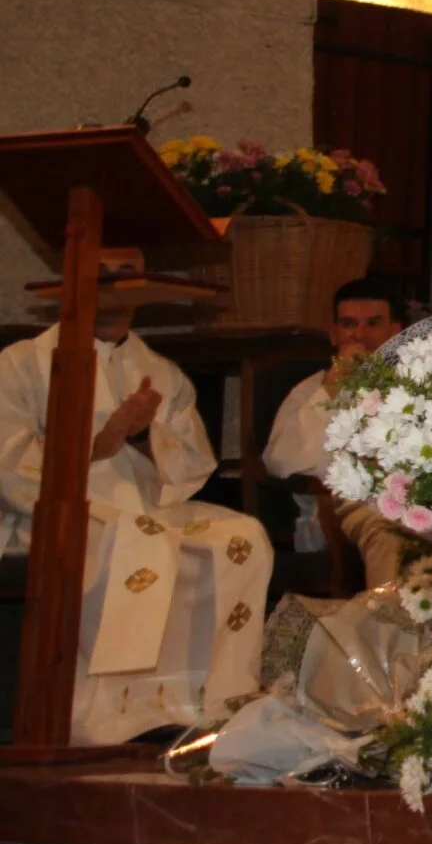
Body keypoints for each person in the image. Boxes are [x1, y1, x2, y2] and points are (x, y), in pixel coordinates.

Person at [0, 300, 274, 743]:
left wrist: (144, 434)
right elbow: (8, 464)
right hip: (61, 507)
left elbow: (192, 463)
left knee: (242, 538)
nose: (113, 291)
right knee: (138, 545)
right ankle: (115, 716)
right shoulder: (20, 364)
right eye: (105, 272)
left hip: (149, 505)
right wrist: (99, 441)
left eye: (128, 272)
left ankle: (211, 703)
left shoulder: (160, 372)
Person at [262, 276, 410, 588]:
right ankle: (390, 632)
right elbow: (280, 462)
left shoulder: (419, 384)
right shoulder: (312, 390)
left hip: (421, 498)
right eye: (348, 324)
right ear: (334, 333)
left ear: (395, 332)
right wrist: (333, 386)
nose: (360, 335)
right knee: (391, 530)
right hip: (349, 505)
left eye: (373, 323)